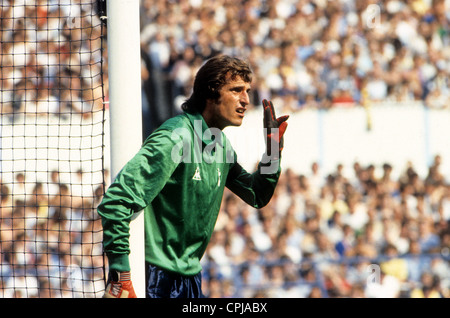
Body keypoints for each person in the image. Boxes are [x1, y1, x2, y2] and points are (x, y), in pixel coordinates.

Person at [98, 54, 289, 298]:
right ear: (210, 93)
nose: (245, 100)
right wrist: (120, 277)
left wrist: (273, 151)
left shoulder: (220, 145)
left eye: (247, 91)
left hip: (190, 278)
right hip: (155, 276)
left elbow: (256, 195)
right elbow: (116, 201)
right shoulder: (176, 137)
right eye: (236, 90)